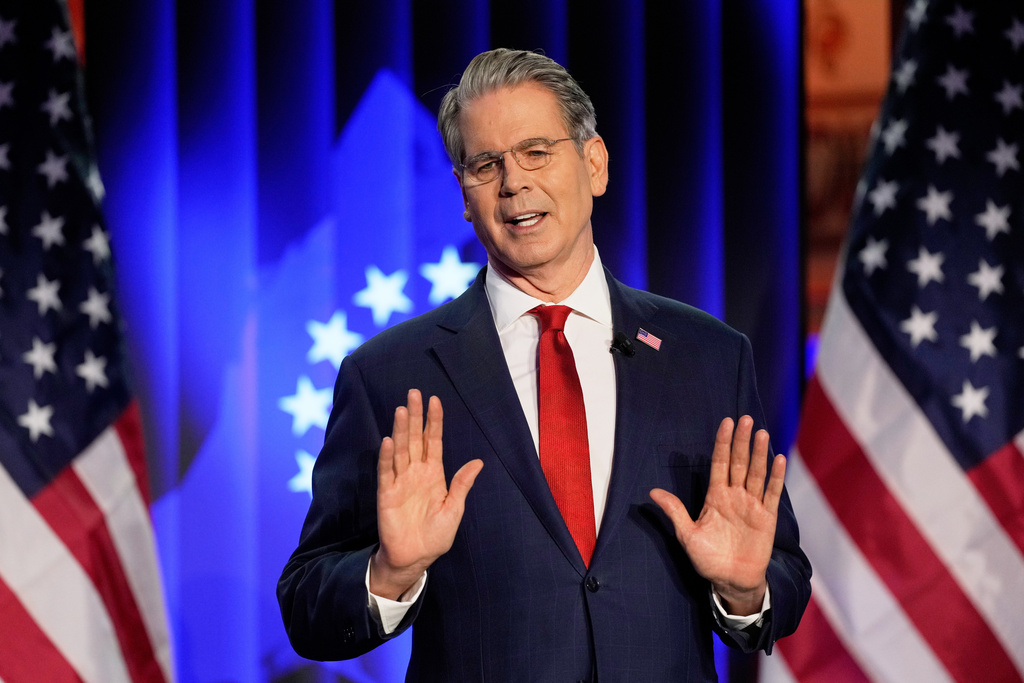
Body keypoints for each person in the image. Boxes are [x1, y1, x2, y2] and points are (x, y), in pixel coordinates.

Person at [278, 48, 811, 681]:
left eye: (536, 152)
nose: (513, 183)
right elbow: (306, 603)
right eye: (486, 165)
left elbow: (783, 573)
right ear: (464, 196)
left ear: (595, 164)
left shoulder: (708, 356)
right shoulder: (390, 375)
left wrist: (745, 591)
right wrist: (390, 574)